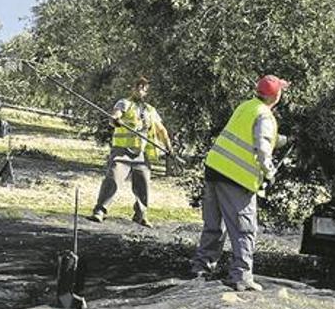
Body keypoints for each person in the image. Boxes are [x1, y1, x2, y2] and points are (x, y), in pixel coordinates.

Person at [190, 75, 290, 292]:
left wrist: (279, 140)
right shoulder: (265, 116)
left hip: (214, 169)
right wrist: (270, 171)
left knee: (214, 225)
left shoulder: (246, 106)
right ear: (276, 95)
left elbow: (244, 135)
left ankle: (202, 268)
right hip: (236, 178)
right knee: (245, 228)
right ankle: (241, 276)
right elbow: (262, 148)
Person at [86, 76, 173, 228]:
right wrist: (115, 120)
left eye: (143, 88)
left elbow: (161, 130)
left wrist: (169, 147)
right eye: (138, 86)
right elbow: (114, 116)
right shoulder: (124, 103)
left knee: (143, 185)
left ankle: (141, 215)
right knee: (113, 178)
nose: (140, 89)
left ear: (146, 91)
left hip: (140, 154)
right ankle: (100, 211)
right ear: (132, 88)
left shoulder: (151, 110)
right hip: (122, 152)